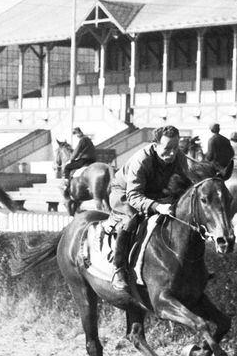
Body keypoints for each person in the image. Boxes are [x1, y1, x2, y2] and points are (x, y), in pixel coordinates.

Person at [108, 125, 192, 292]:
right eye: (167, 149)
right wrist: (158, 206)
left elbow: (186, 185)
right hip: (125, 193)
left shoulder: (180, 157)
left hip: (155, 192)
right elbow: (134, 196)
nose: (172, 153)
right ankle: (119, 269)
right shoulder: (141, 160)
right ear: (155, 145)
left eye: (176, 148)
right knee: (131, 220)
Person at [62, 127, 96, 197]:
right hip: (93, 159)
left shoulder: (82, 140)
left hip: (85, 159)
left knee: (67, 167)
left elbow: (77, 150)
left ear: (78, 133)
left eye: (76, 134)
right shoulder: (88, 139)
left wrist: (71, 159)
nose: (76, 136)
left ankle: (66, 185)